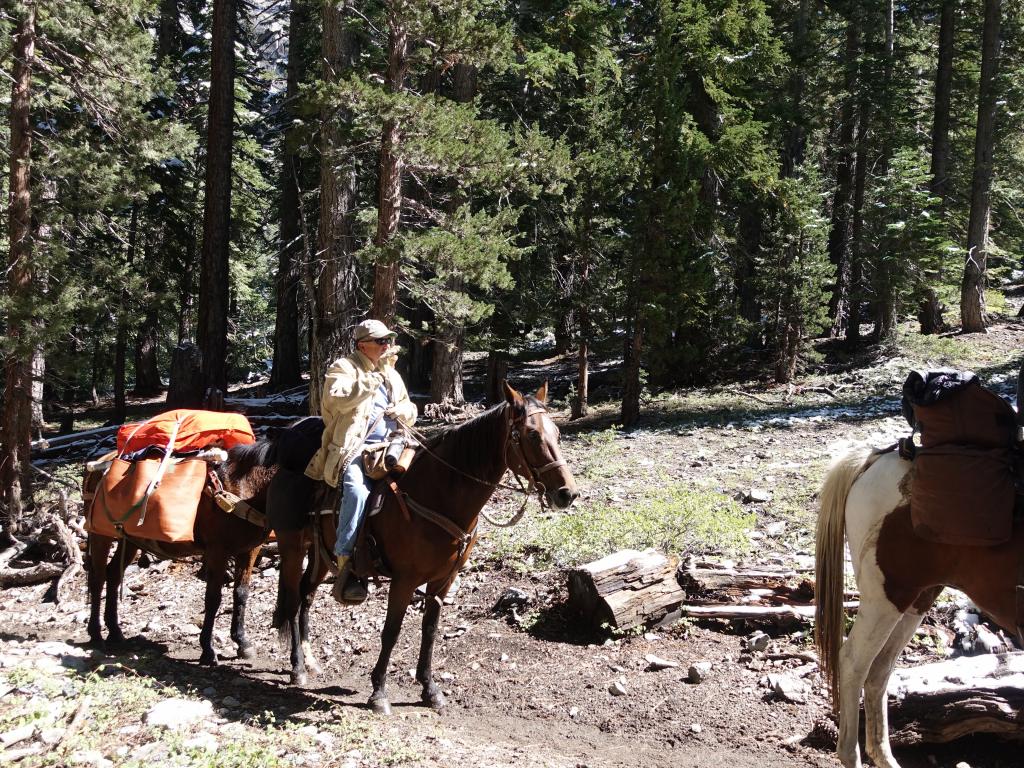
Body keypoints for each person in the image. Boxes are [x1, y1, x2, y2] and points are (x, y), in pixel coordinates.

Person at [304, 319, 417, 603]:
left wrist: (401, 410)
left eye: (388, 341)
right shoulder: (343, 368)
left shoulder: (391, 374)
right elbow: (335, 401)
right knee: (355, 490)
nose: (387, 346)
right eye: (380, 341)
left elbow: (411, 407)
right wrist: (373, 379)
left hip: (394, 443)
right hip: (356, 448)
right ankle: (346, 558)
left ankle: (424, 558)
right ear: (361, 345)